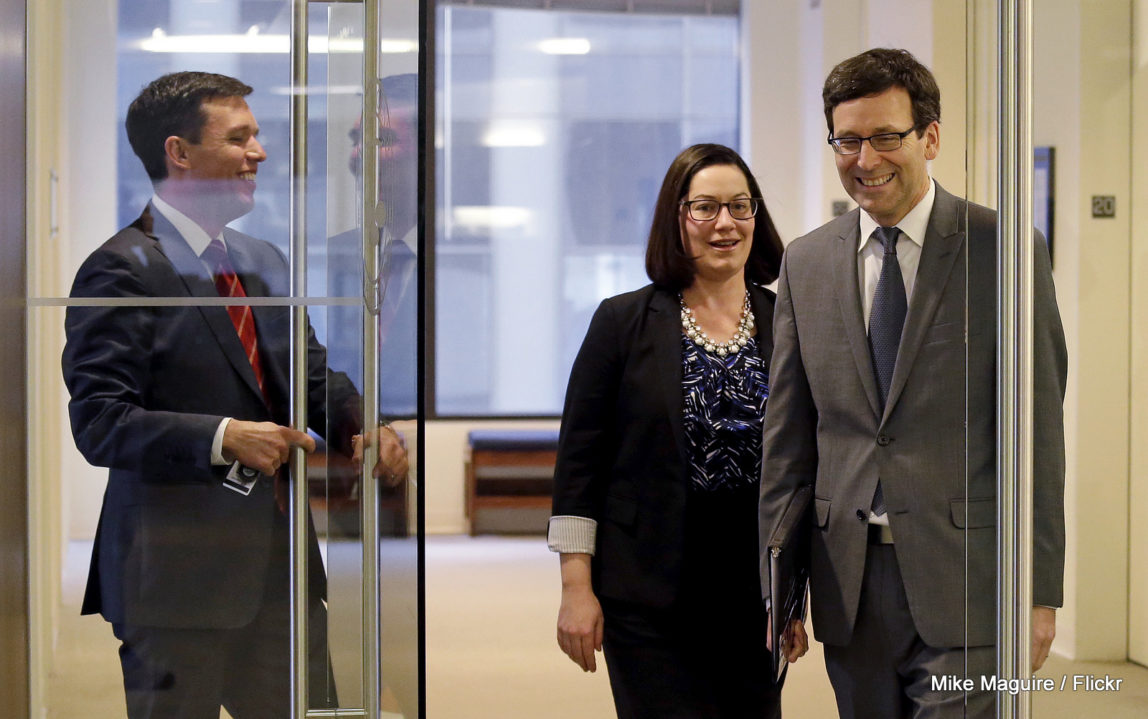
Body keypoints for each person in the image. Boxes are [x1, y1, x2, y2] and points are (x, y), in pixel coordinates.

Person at [61, 71, 409, 718]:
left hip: (282, 573)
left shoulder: (262, 259)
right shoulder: (120, 269)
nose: (260, 152)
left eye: (258, 136)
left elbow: (310, 374)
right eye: (241, 137)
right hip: (174, 585)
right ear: (180, 153)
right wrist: (225, 438)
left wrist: (364, 422)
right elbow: (101, 422)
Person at [757, 48, 1067, 718]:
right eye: (847, 140)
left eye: (886, 137)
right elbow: (789, 442)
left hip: (970, 579)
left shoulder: (1005, 249)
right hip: (850, 583)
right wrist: (782, 589)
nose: (865, 160)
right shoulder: (806, 264)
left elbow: (1038, 431)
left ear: (929, 137)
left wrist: (1041, 591)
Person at [548, 143, 803, 719]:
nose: (725, 223)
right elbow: (578, 466)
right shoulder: (621, 321)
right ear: (676, 217)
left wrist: (793, 595)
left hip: (751, 595)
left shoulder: (787, 322)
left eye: (740, 206)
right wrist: (574, 587)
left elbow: (800, 470)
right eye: (705, 208)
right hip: (646, 592)